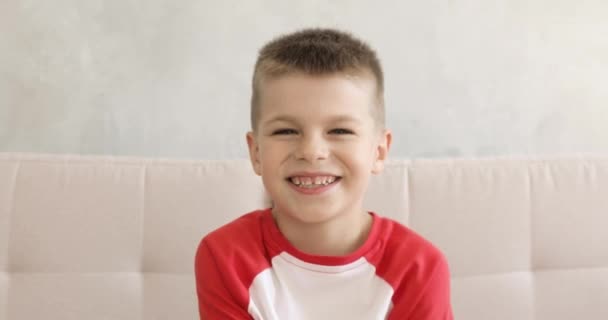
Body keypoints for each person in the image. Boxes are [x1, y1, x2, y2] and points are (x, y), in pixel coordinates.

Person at [195, 28, 453, 319]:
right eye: (286, 131)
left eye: (340, 131)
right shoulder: (226, 256)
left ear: (379, 151)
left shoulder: (419, 268)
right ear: (256, 153)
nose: (311, 150)